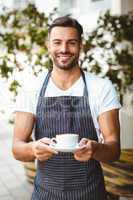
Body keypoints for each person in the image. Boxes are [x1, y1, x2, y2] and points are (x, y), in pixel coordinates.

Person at [12, 16, 121, 200]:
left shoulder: (101, 88)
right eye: (57, 42)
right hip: (45, 194)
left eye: (71, 42)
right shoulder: (32, 88)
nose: (64, 49)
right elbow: (17, 147)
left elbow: (114, 150)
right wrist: (33, 149)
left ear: (80, 45)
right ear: (48, 46)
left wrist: (95, 149)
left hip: (90, 194)